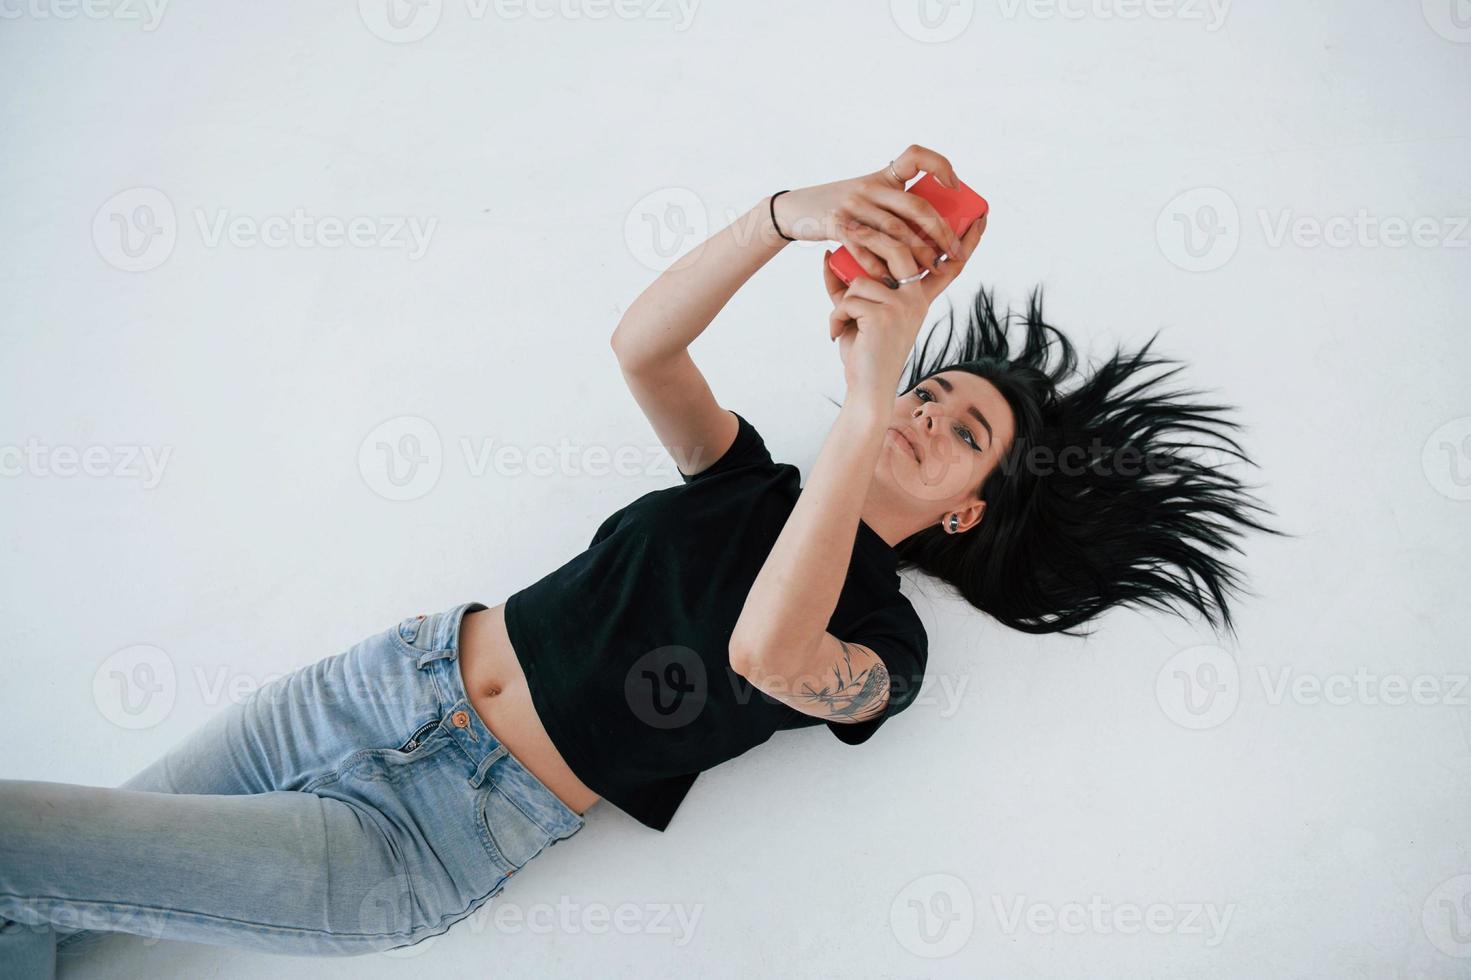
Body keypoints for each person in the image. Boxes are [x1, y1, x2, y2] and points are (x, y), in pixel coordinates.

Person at [0, 145, 1281, 974]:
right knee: (37, 903)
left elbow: (765, 653)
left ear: (966, 509)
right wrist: (786, 215)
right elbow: (641, 351)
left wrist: (861, 398)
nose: (922, 412)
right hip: (378, 687)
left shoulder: (890, 649)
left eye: (960, 432)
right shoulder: (746, 481)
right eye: (930, 385)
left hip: (426, 839)